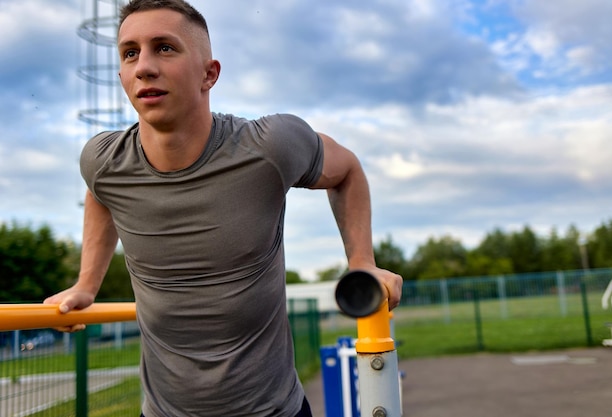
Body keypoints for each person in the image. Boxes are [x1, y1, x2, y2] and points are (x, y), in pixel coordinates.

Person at [44, 0, 403, 416]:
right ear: (122, 74)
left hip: (272, 411)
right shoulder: (104, 160)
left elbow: (347, 171)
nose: (144, 66)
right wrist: (86, 284)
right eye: (130, 52)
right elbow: (100, 191)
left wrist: (361, 263)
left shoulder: (268, 146)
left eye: (164, 47)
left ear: (208, 74)